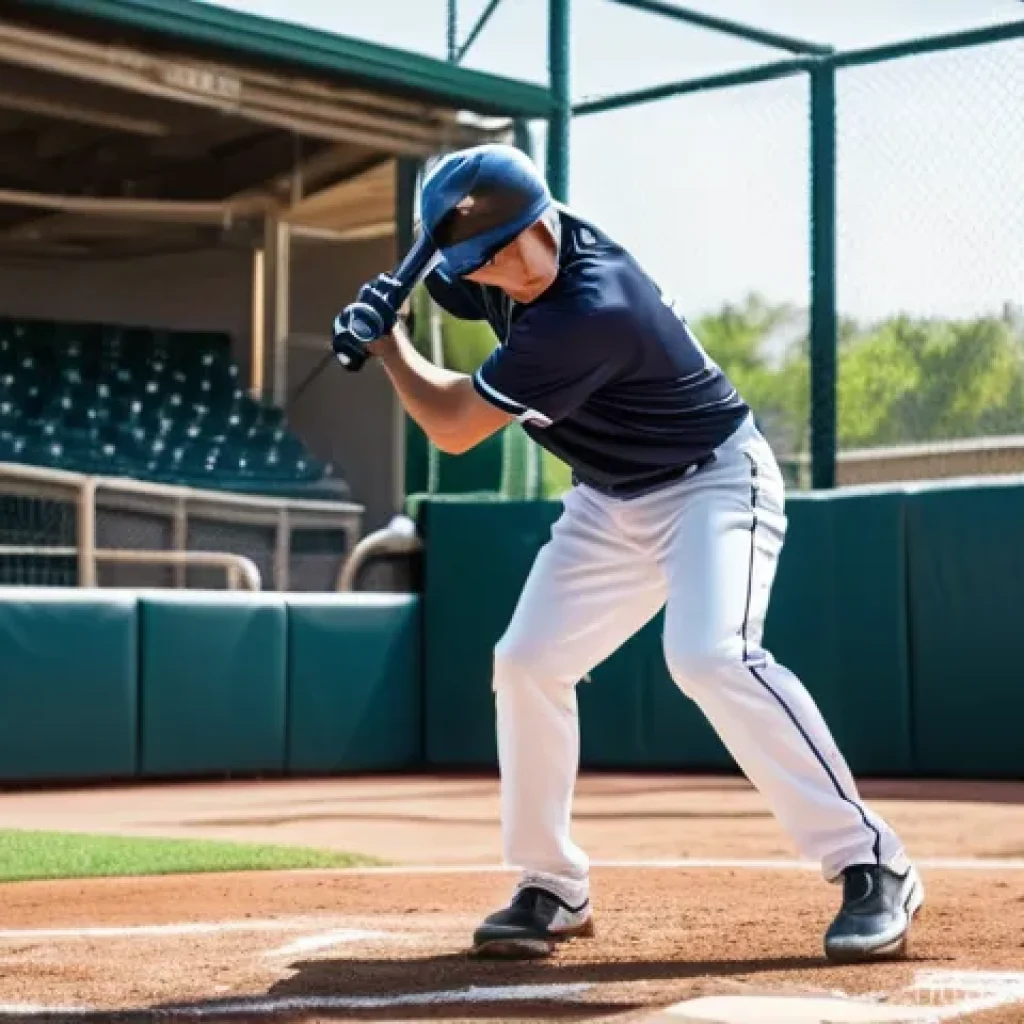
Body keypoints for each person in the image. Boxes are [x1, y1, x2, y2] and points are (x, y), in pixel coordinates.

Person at [331, 144, 923, 963]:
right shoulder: (490, 251)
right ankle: (553, 885)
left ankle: (873, 861)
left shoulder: (594, 306)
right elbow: (457, 272)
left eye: (499, 256)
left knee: (710, 656)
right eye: (473, 263)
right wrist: (390, 307)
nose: (489, 276)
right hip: (608, 502)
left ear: (542, 224)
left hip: (713, 483)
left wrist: (391, 349)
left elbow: (454, 426)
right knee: (528, 661)